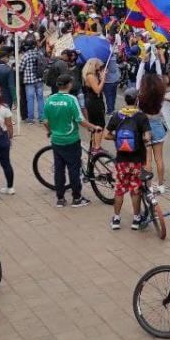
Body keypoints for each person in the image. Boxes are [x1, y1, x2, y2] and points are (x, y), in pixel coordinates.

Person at [42, 73, 98, 208]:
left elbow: (45, 121)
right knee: (74, 169)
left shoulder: (50, 99)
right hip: (71, 139)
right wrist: (93, 127)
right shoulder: (71, 99)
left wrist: (50, 131)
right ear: (69, 85)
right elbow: (80, 120)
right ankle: (77, 198)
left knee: (59, 169)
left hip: (56, 140)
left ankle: (60, 198)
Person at [104, 89, 154, 230]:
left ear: (126, 100)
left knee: (119, 189)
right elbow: (147, 137)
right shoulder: (141, 116)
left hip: (121, 160)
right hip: (137, 160)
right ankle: (136, 219)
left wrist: (119, 139)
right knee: (135, 190)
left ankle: (116, 219)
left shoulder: (117, 115)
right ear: (137, 100)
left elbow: (106, 135)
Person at [82, 58, 107, 152]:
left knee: (95, 123)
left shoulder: (91, 75)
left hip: (93, 100)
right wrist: (103, 79)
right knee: (99, 123)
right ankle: (97, 147)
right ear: (93, 65)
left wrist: (101, 77)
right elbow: (97, 90)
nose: (100, 67)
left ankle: (94, 145)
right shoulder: (90, 76)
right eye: (98, 65)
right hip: (94, 101)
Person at [19, 40, 47, 123]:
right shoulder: (40, 54)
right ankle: (42, 118)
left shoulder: (25, 55)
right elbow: (45, 64)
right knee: (40, 98)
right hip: (39, 79)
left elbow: (20, 68)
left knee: (30, 99)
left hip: (29, 80)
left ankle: (30, 119)